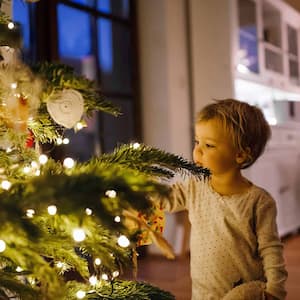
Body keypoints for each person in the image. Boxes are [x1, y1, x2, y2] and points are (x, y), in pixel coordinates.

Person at [155, 99, 287, 299]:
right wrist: (133, 191)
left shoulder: (258, 201)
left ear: (240, 155)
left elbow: (271, 249)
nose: (198, 151)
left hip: (242, 292)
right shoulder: (194, 187)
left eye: (209, 145)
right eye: (197, 142)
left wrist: (275, 290)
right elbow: (164, 199)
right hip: (202, 292)